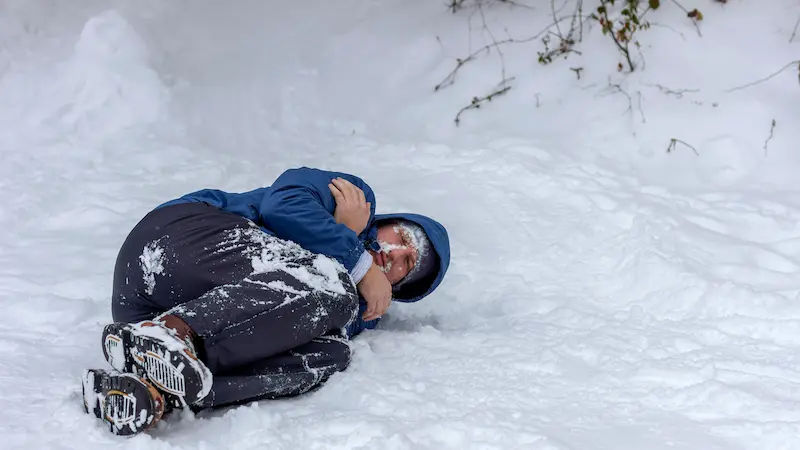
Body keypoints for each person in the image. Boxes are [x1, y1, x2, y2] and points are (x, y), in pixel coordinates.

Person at [81, 167, 450, 436]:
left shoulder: (356, 306)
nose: (395, 253)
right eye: (403, 238)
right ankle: (173, 333)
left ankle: (157, 389)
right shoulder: (353, 197)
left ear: (396, 288)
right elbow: (283, 204)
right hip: (178, 239)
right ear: (389, 222)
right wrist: (352, 252)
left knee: (329, 353)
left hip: (146, 313)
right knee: (333, 286)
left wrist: (354, 272)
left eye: (407, 265)